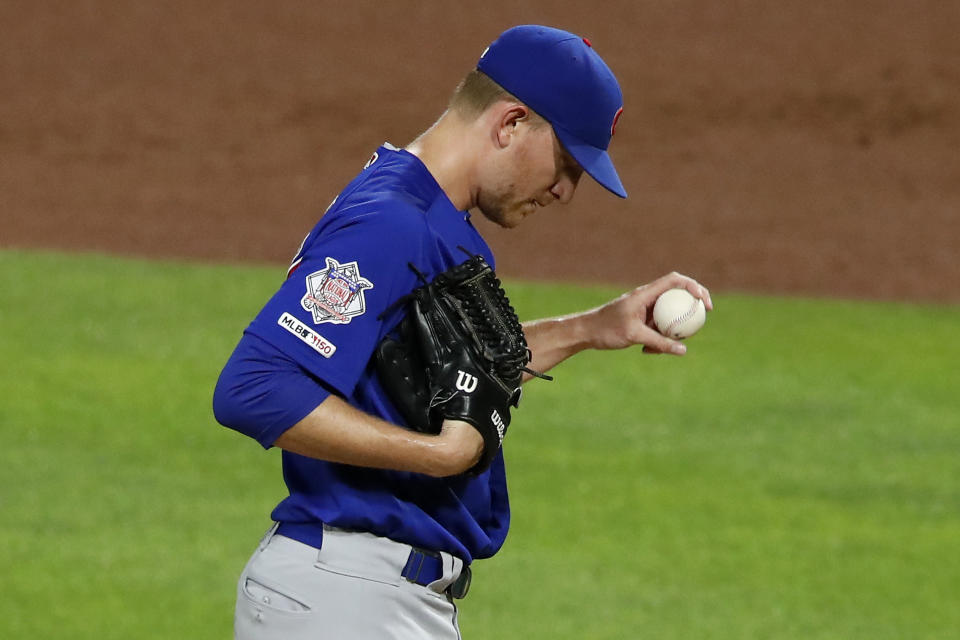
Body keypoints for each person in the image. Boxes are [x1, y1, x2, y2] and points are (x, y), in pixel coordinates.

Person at [213, 24, 712, 640]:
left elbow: (439, 371)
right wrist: (440, 455)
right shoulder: (394, 222)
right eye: (566, 162)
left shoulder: (427, 212)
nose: (565, 190)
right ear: (510, 124)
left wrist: (591, 328)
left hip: (368, 596)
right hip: (345, 596)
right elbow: (253, 387)